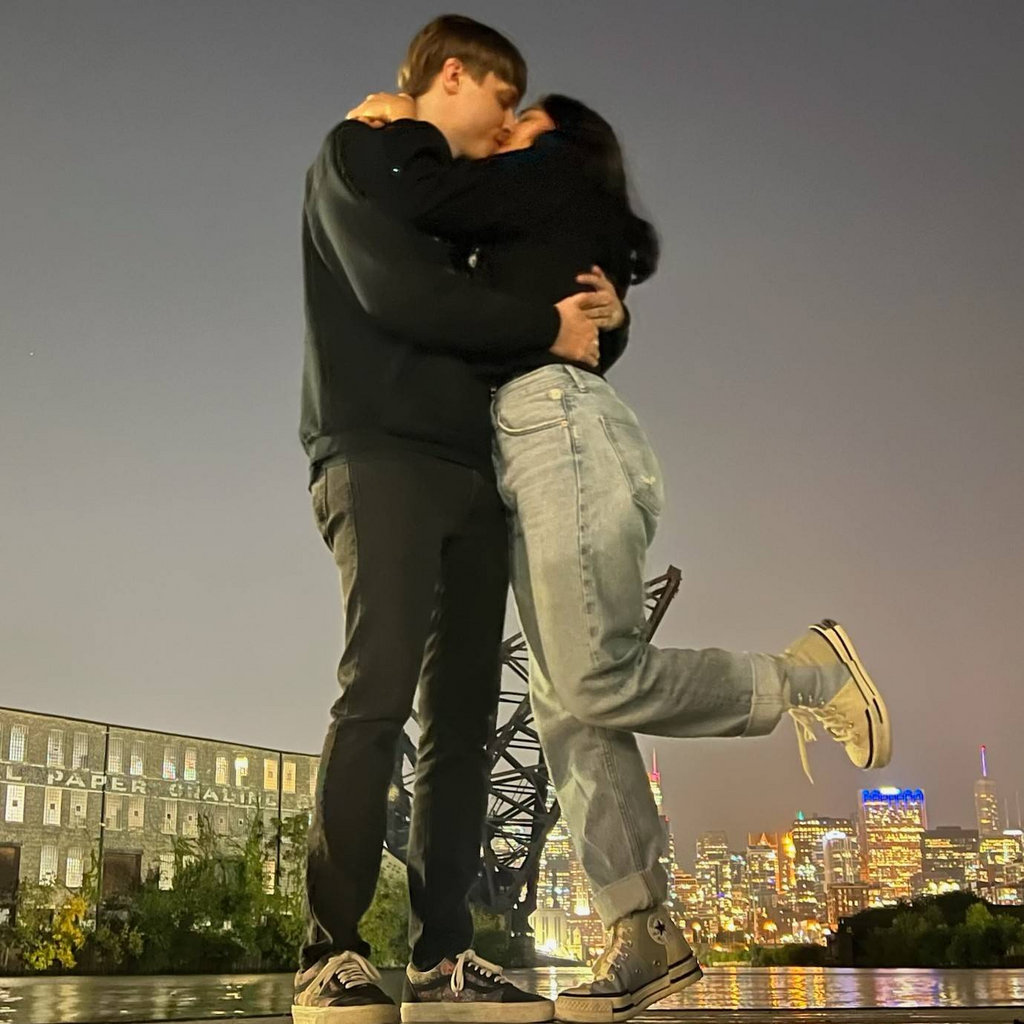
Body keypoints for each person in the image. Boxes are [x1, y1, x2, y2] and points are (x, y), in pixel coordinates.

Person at [344, 88, 893, 1022]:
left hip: (559, 429)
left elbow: (430, 199)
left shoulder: (548, 171)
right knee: (567, 702)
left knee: (594, 679)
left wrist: (387, 132)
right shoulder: (544, 209)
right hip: (533, 440)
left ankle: (810, 675)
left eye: (522, 120)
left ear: (560, 140)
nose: (505, 130)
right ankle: (643, 932)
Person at [294, 16, 610, 1024]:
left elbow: (540, 310)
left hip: (475, 471)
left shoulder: (464, 204)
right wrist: (542, 323)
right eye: (502, 100)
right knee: (378, 693)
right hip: (378, 452)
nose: (507, 124)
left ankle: (443, 956)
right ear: (455, 75)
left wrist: (599, 313)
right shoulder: (360, 153)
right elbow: (401, 296)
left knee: (464, 722)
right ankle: (328, 952)